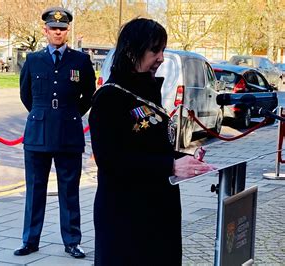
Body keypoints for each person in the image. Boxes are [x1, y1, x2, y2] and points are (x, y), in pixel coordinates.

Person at [88, 18, 216, 265]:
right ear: (131, 51)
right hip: (126, 215)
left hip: (158, 209)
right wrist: (170, 166)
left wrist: (182, 158)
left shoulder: (149, 90)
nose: (161, 58)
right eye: (154, 50)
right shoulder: (110, 98)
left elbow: (152, 146)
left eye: (163, 50)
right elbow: (110, 161)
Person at [15, 6, 96, 258]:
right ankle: (30, 240)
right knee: (35, 189)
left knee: (69, 190)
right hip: (37, 133)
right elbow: (26, 94)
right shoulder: (33, 60)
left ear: (67, 31)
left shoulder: (80, 61)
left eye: (62, 29)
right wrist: (42, 113)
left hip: (68, 132)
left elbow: (89, 95)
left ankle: (72, 241)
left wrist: (69, 113)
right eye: (53, 29)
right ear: (45, 30)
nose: (58, 33)